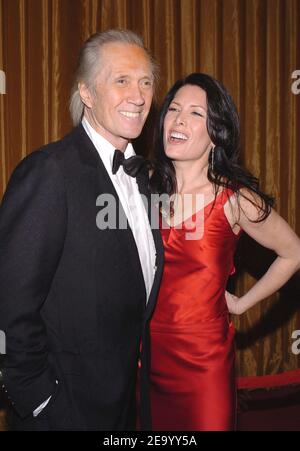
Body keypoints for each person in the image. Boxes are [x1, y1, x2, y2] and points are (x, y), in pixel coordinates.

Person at [0, 29, 164, 431]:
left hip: (125, 407)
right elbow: (9, 302)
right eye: (121, 80)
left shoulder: (145, 179)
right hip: (63, 412)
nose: (139, 95)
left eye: (145, 82)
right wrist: (40, 401)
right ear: (86, 93)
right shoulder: (50, 172)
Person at [148, 72, 300, 431]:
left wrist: (242, 303)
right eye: (173, 109)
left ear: (217, 133)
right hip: (144, 358)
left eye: (196, 113)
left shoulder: (233, 200)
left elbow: (293, 251)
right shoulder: (142, 188)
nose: (180, 119)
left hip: (204, 363)